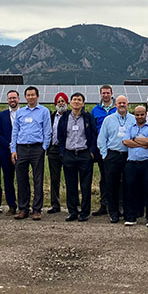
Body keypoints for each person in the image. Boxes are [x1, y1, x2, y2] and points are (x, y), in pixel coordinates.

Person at [10, 86, 51, 220]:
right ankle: (23, 209)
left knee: (38, 179)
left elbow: (47, 131)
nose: (31, 97)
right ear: (25, 97)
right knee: (21, 179)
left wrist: (44, 148)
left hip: (36, 148)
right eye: (28, 95)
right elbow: (15, 131)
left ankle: (37, 209)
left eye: (33, 95)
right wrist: (13, 149)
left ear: (37, 96)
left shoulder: (44, 111)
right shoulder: (20, 112)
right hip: (21, 148)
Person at [57, 92, 98, 222]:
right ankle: (73, 211)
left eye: (79, 100)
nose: (76, 102)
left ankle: (85, 212)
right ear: (70, 102)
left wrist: (91, 152)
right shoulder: (64, 118)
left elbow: (93, 135)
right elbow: (60, 136)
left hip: (84, 154)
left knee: (86, 185)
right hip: (69, 154)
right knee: (71, 185)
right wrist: (63, 152)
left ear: (83, 103)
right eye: (74, 99)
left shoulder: (88, 117)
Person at [97, 95, 130, 223]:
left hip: (128, 156)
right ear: (115, 105)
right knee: (111, 185)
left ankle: (127, 210)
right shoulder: (108, 120)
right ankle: (113, 212)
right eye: (119, 103)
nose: (122, 105)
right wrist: (105, 155)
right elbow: (101, 139)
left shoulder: (133, 119)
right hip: (112, 155)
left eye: (124, 103)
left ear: (128, 104)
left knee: (128, 184)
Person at [123, 105, 148, 227]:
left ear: (145, 114)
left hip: (146, 163)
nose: (139, 117)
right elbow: (126, 142)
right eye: (137, 114)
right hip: (132, 163)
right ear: (135, 115)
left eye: (142, 114)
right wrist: (141, 143)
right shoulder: (130, 127)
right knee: (131, 190)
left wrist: (134, 140)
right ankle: (132, 216)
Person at [91, 84, 117, 216]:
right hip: (101, 149)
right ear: (100, 94)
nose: (106, 95)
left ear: (112, 94)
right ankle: (104, 204)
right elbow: (92, 130)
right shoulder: (95, 110)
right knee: (104, 178)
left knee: (118, 178)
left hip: (116, 148)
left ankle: (118, 205)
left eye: (108, 93)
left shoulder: (118, 108)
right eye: (103, 93)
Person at [0, 90, 20, 215]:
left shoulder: (24, 113)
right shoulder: (1, 115)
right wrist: (10, 146)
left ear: (18, 99)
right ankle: (12, 205)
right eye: (10, 98)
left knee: (22, 179)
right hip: (5, 151)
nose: (12, 100)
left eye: (14, 98)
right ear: (7, 100)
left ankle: (24, 205)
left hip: (22, 151)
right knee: (8, 180)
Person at [46, 92, 68, 214]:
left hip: (67, 150)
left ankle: (72, 204)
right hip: (53, 149)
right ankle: (55, 204)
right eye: (58, 101)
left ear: (66, 103)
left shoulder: (70, 116)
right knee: (54, 178)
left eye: (63, 101)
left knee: (70, 178)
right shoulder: (51, 116)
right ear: (55, 104)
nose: (61, 103)